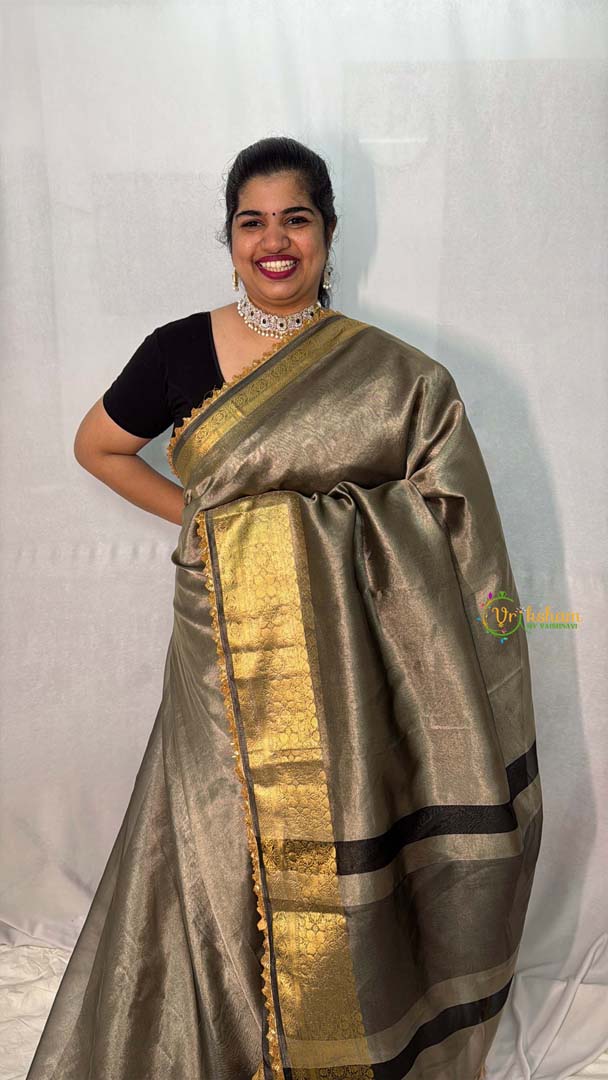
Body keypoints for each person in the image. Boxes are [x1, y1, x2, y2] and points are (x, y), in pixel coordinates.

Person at [25, 136, 543, 1080]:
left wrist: (322, 534)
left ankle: (331, 1036)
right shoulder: (178, 351)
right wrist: (207, 523)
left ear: (328, 233)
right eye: (251, 222)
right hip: (221, 641)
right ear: (228, 239)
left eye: (295, 219)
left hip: (349, 658)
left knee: (338, 822)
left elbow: (448, 514)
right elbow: (98, 447)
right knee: (216, 832)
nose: (274, 242)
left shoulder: (395, 377)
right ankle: (220, 1039)